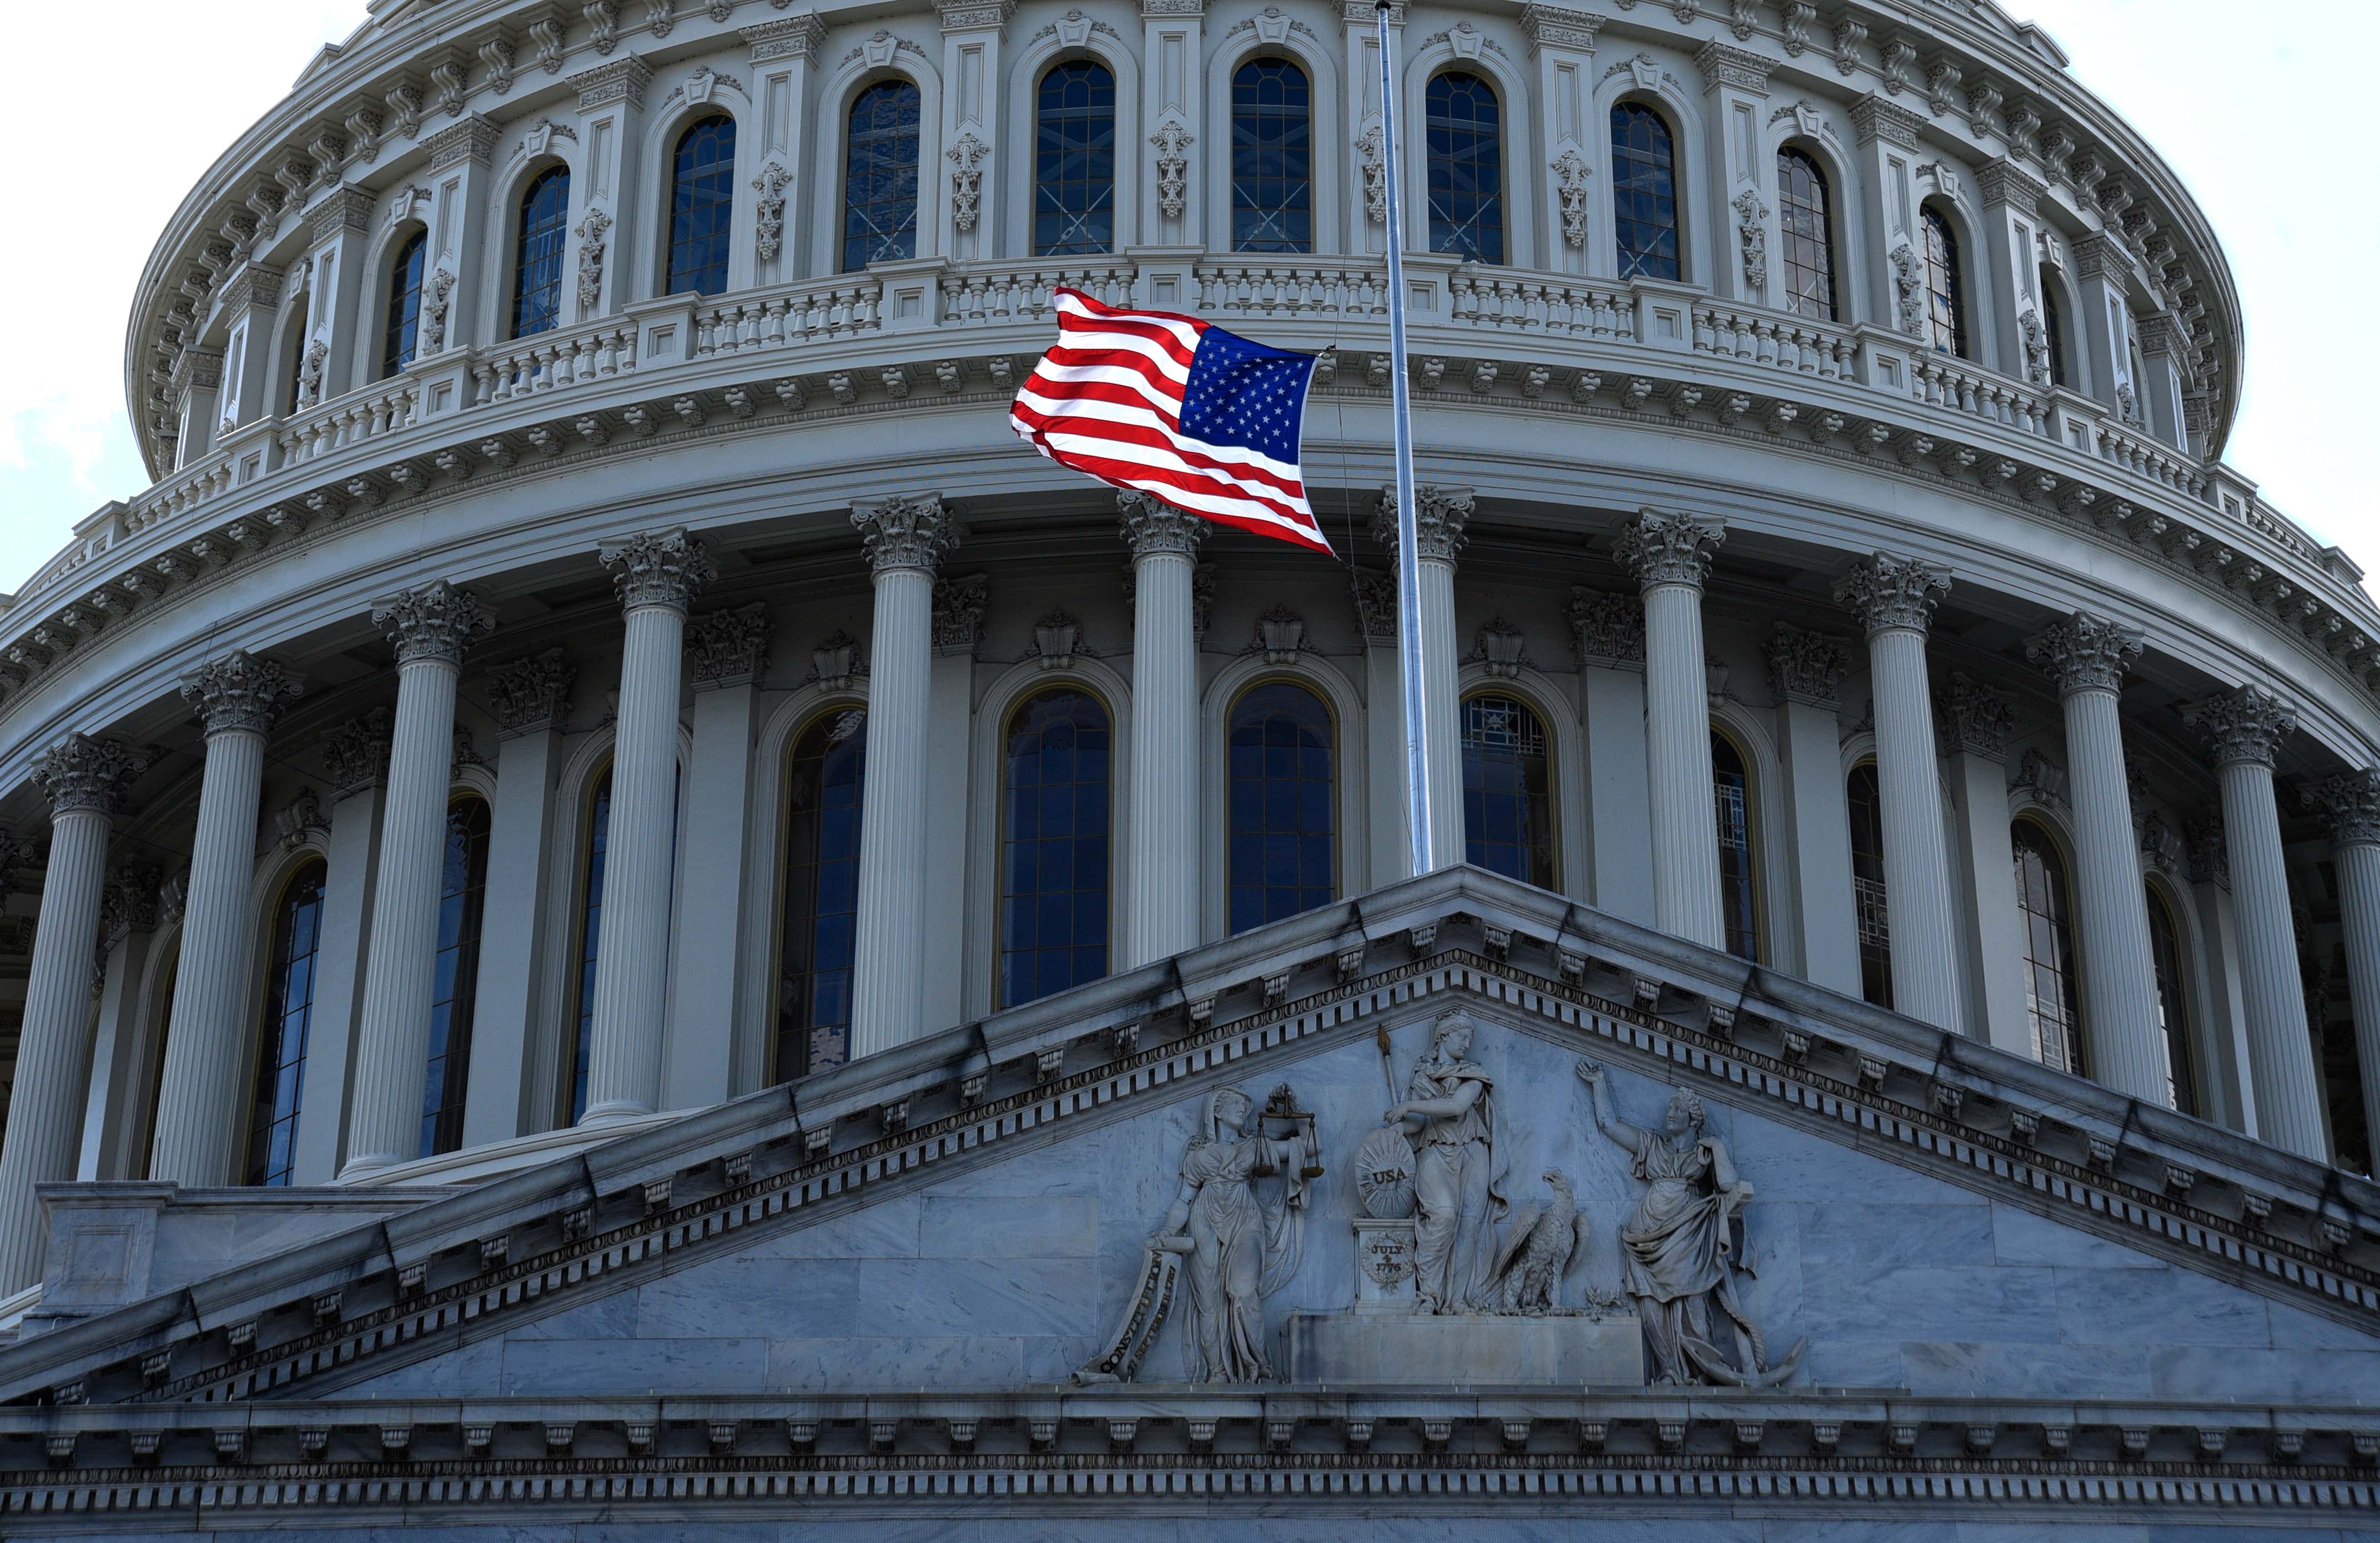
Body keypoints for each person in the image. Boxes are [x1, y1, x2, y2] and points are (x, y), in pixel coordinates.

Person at [1575, 1060, 1772, 1384]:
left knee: (1695, 1303)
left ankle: (1701, 1369)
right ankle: (1668, 1369)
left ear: (1694, 1120)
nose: (1670, 1113)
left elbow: (1730, 1186)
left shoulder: (1703, 1156)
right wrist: (1598, 1084)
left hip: (1690, 1233)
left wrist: (1719, 1148)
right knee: (1651, 1307)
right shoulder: (1652, 1146)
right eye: (1671, 1107)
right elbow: (1608, 1124)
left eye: (1678, 1109)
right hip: (1646, 1236)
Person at [1150, 1085, 1312, 1382]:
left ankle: (1259, 1368)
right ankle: (1219, 1373)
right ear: (1216, 1110)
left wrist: (1298, 1107)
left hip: (1244, 1218)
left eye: (1246, 1105)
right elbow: (1184, 1200)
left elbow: (1309, 1147)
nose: (1244, 1109)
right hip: (1204, 1221)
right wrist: (1168, 1230)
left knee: (1244, 1290)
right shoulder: (1199, 1155)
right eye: (1237, 1103)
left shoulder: (1253, 1146)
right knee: (1208, 1304)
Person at [1382, 1010, 1506, 1314]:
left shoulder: (1473, 1073)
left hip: (1473, 1151)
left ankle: (1458, 1299)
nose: (1467, 1043)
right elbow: (1417, 1124)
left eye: (1470, 1038)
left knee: (1468, 1226)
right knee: (1444, 1216)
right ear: (1443, 1036)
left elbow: (1456, 1107)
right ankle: (1429, 1296)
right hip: (1434, 1148)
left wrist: (1407, 1105)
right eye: (1461, 1036)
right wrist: (1396, 1129)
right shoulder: (1420, 1075)